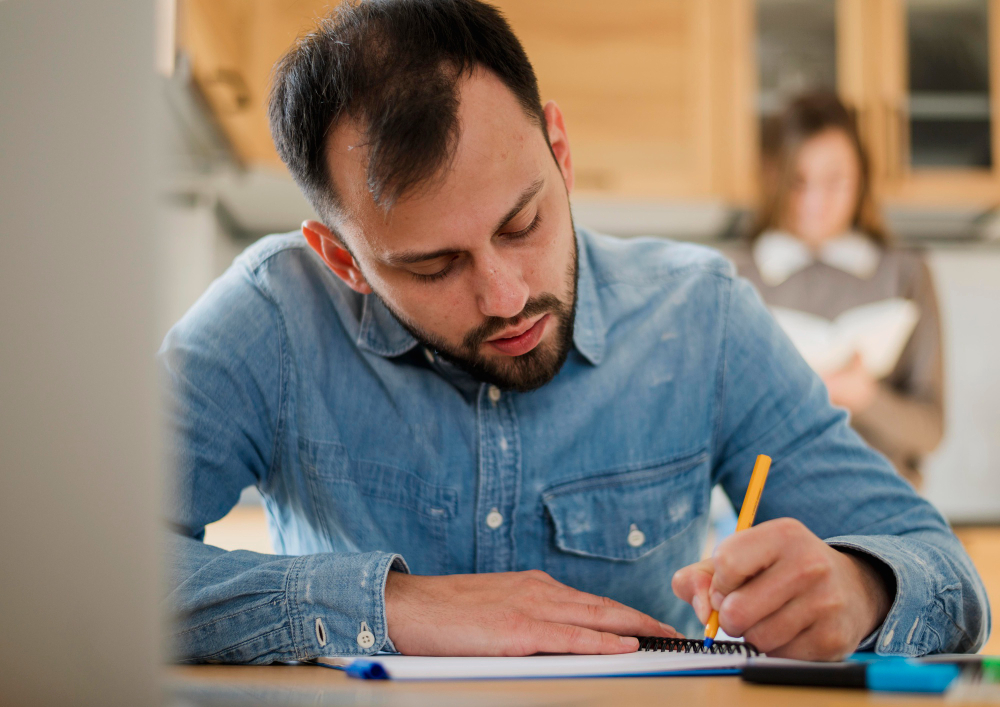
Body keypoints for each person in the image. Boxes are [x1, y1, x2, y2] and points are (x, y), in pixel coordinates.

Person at [161, 0, 988, 664]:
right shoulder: (270, 317)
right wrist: (396, 606)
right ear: (344, 259)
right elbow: (72, 566)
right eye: (432, 266)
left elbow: (947, 576)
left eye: (522, 222)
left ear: (560, 150)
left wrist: (863, 588)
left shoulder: (700, 315)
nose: (506, 293)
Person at [728, 93, 944, 488]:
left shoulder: (906, 272)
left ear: (862, 175)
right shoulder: (735, 276)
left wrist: (865, 397)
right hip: (768, 504)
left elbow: (931, 430)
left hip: (882, 505)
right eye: (799, 181)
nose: (815, 201)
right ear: (773, 177)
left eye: (835, 180)